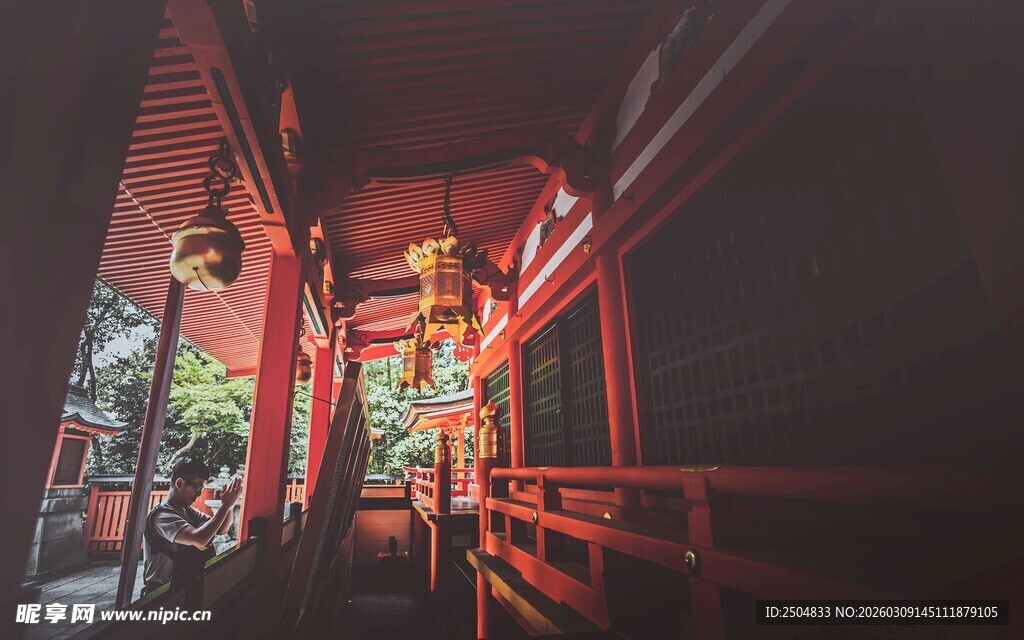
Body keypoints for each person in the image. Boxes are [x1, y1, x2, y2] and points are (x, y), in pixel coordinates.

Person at [142, 459, 242, 595]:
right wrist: (225, 506)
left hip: (184, 586)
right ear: (180, 483)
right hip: (162, 592)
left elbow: (221, 529)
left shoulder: (188, 511)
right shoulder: (162, 516)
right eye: (197, 487)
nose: (199, 493)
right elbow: (200, 539)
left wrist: (229, 506)